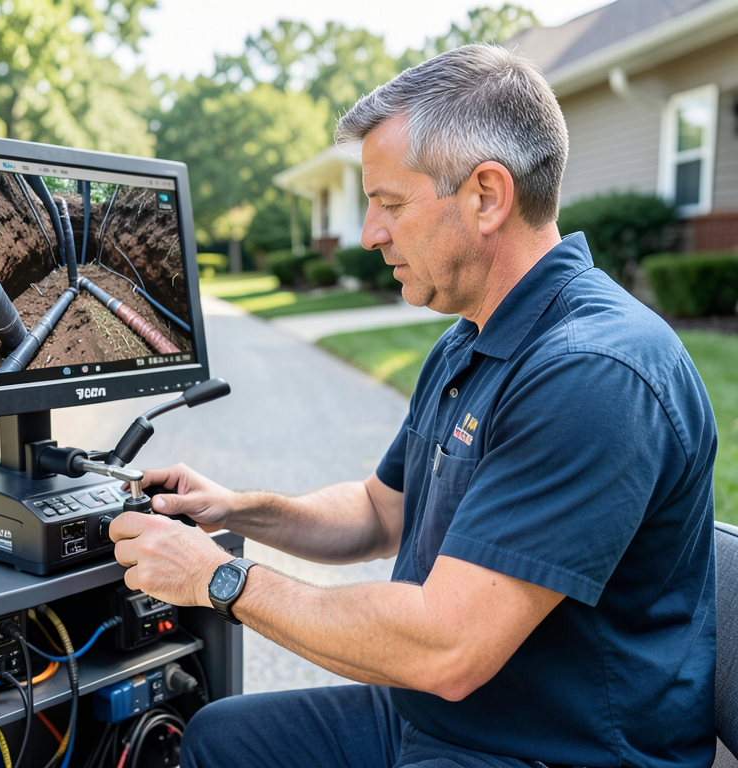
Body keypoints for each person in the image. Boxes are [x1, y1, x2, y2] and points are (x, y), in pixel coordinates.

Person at [110, 43, 718, 768]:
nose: (369, 234)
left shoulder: (594, 373)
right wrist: (237, 511)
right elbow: (379, 510)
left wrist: (219, 578)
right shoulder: (471, 342)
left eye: (390, 204)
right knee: (218, 737)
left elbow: (448, 647)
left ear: (487, 196)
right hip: (441, 715)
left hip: (549, 748)